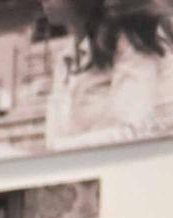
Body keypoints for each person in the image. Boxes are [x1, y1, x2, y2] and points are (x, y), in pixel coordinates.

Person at [41, 0, 173, 152]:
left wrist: (58, 149)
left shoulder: (133, 41)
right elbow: (54, 138)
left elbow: (133, 131)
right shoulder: (65, 60)